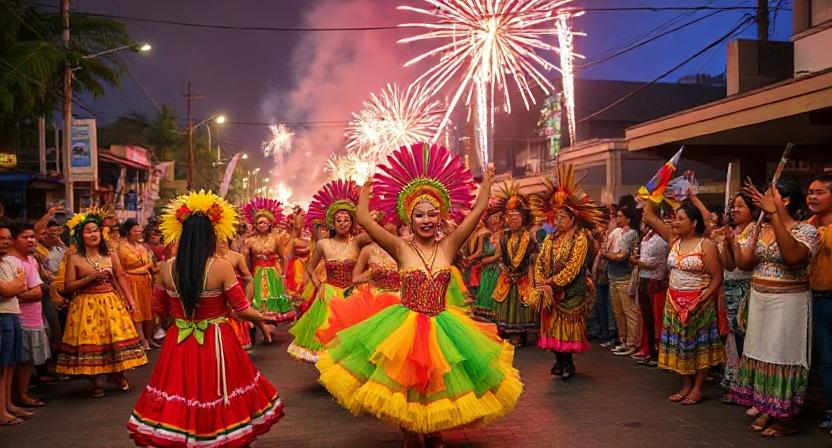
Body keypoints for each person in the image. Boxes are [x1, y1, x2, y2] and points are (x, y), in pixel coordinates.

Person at [316, 143, 521, 447]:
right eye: (420, 215)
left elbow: (477, 212)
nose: (427, 220)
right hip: (406, 325)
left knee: (438, 385)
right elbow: (367, 222)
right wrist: (365, 191)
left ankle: (434, 430)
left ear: (440, 218)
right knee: (409, 386)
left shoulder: (448, 246)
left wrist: (487, 185)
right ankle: (411, 431)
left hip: (442, 325)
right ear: (409, 220)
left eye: (432, 215)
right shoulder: (400, 248)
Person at [127, 190, 283, 447]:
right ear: (211, 236)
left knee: (182, 391)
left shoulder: (166, 268)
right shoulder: (220, 267)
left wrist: (179, 316)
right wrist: (262, 318)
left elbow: (159, 307)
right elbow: (241, 308)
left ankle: (187, 437)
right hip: (217, 339)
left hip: (179, 338)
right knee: (218, 391)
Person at [729, 180, 820, 436]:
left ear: (787, 200)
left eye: (768, 195)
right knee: (760, 352)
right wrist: (735, 242)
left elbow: (792, 257)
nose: (760, 199)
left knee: (782, 355)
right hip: (760, 299)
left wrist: (774, 217)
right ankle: (768, 407)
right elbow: (745, 264)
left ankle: (786, 417)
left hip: (788, 303)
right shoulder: (761, 227)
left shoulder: (807, 231)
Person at [56, 209, 148, 398]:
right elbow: (68, 287)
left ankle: (119, 376)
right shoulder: (74, 258)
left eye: (95, 230)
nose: (93, 234)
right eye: (88, 231)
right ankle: (96, 382)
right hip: (85, 305)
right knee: (93, 342)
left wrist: (130, 300)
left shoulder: (110, 254)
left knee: (113, 340)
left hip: (110, 302)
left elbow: (120, 277)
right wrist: (90, 277)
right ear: (81, 235)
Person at [643, 198, 725, 406]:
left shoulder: (706, 244)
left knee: (700, 345)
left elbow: (717, 277)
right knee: (680, 344)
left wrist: (701, 300)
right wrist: (657, 191)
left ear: (694, 223)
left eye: (680, 219)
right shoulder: (673, 240)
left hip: (699, 304)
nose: (675, 222)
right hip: (674, 301)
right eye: (674, 218)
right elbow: (649, 215)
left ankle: (698, 388)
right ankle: (686, 384)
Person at [529, 165, 604, 379]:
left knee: (566, 330)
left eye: (562, 216)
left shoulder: (580, 239)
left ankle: (567, 363)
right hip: (550, 290)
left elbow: (573, 268)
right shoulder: (551, 238)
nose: (558, 220)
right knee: (551, 328)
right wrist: (542, 280)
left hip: (571, 293)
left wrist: (551, 283)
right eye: (556, 216)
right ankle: (558, 361)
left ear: (573, 218)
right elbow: (541, 260)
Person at [287, 179, 368, 363]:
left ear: (352, 222)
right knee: (328, 336)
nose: (342, 223)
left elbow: (377, 232)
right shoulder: (323, 245)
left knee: (350, 335)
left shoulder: (357, 242)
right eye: (338, 220)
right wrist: (318, 285)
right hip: (329, 294)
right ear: (332, 223)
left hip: (352, 294)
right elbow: (309, 266)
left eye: (346, 219)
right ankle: (329, 371)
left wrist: (365, 200)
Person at [718, 193, 757, 397]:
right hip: (731, 287)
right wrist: (726, 241)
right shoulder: (733, 231)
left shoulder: (754, 231)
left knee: (745, 335)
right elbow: (728, 264)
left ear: (753, 210)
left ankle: (747, 384)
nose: (734, 210)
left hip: (746, 288)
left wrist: (733, 242)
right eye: (732, 206)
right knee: (733, 335)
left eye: (740, 206)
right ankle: (735, 380)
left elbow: (743, 263)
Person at [490, 181, 538, 345]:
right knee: (505, 304)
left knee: (520, 306)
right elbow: (501, 257)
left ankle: (522, 335)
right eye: (510, 217)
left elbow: (534, 256)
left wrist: (522, 271)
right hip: (507, 277)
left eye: (516, 217)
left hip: (523, 277)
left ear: (523, 218)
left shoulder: (528, 237)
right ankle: (506, 333)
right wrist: (505, 270)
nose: (513, 220)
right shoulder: (505, 237)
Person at [7, 223, 49, 408]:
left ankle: (22, 393)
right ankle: (16, 396)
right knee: (17, 361)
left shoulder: (32, 260)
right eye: (26, 237)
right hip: (19, 318)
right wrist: (32, 293)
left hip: (35, 317)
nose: (31, 240)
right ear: (14, 240)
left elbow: (38, 289)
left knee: (28, 360)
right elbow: (31, 292)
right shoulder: (11, 262)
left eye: (33, 236)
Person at [242, 198, 295, 330]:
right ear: (255, 224)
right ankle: (264, 329)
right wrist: (246, 275)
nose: (261, 225)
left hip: (273, 274)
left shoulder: (276, 239)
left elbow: (284, 258)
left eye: (264, 222)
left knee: (272, 304)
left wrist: (283, 275)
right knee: (257, 304)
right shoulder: (249, 241)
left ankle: (268, 329)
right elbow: (243, 259)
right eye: (259, 222)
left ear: (270, 224)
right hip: (256, 275)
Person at [807, 175, 832, 432]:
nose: (812, 196)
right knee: (825, 361)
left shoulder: (817, 229)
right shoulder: (809, 224)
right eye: (810, 192)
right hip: (816, 298)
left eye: (820, 192)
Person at [0, 223, 30, 425]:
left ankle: (8, 404)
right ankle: (1, 412)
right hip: (2, 315)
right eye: (2, 238)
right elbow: (9, 290)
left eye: (8, 238)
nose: (6, 242)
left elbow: (23, 284)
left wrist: (14, 285)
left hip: (12, 312)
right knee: (2, 366)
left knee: (11, 363)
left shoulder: (9, 261)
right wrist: (15, 284)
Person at [602, 205, 641, 356]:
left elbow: (621, 256)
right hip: (613, 276)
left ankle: (631, 343)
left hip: (624, 277)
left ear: (628, 219)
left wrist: (605, 254)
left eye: (619, 216)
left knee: (628, 312)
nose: (617, 219)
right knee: (618, 312)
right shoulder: (617, 232)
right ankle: (623, 340)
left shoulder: (630, 233)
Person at [631, 218, 669, 366]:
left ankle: (657, 352)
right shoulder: (648, 236)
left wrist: (636, 262)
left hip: (655, 281)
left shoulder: (660, 239)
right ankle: (649, 350)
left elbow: (655, 264)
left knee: (656, 319)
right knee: (647, 318)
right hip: (644, 278)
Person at [118, 219, 156, 350]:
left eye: (139, 230)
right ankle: (139, 339)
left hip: (145, 282)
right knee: (135, 310)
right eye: (135, 230)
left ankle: (146, 338)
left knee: (147, 310)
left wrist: (141, 269)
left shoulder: (142, 247)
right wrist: (137, 270)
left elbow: (151, 263)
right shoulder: (121, 248)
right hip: (131, 282)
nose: (138, 233)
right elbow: (120, 270)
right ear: (127, 232)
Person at [217, 238, 255, 350]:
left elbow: (248, 277)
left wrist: (248, 297)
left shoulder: (237, 256)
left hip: (233, 294)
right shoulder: (208, 258)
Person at [472, 211, 502, 322]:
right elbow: (479, 252)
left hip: (496, 269)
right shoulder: (485, 236)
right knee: (483, 290)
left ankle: (495, 317)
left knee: (492, 291)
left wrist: (484, 261)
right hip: (486, 269)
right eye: (491, 218)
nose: (493, 221)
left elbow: (498, 255)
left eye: (496, 218)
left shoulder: (503, 235)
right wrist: (468, 259)